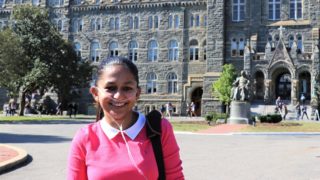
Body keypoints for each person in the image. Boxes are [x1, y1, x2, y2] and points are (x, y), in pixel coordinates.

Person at [67, 56, 184, 179]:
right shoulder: (85, 138)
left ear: (137, 93)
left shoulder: (159, 130)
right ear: (96, 93)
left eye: (127, 88)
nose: (118, 96)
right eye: (110, 88)